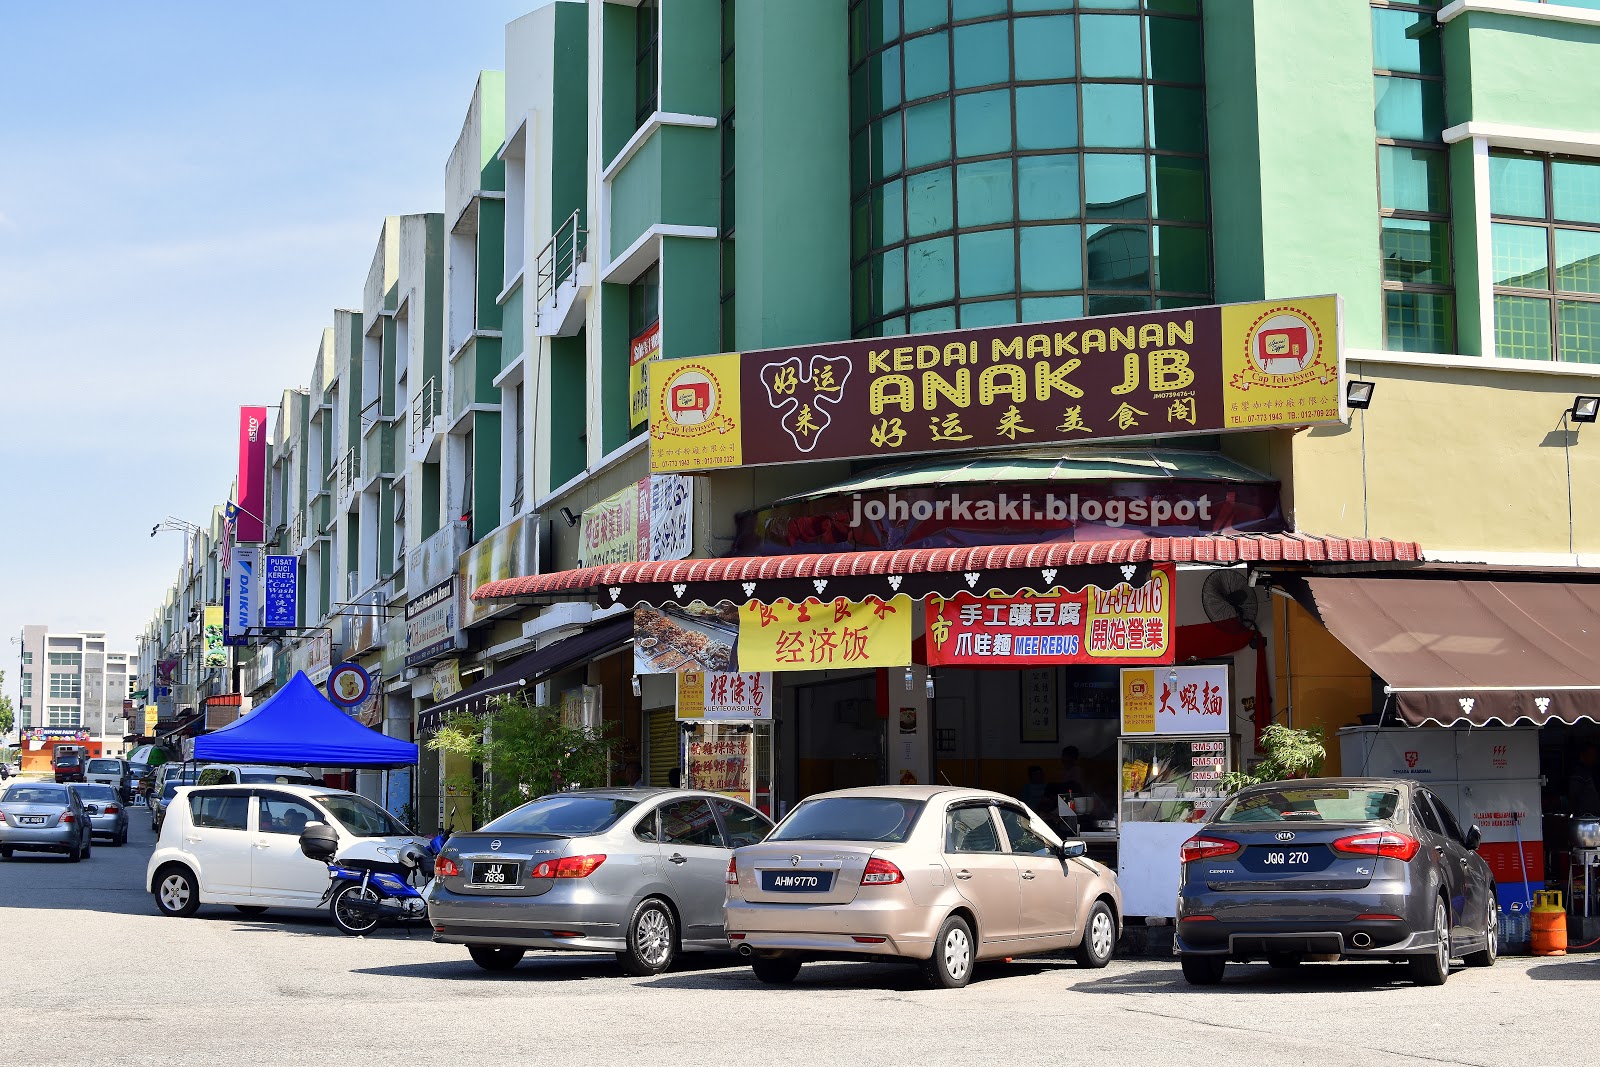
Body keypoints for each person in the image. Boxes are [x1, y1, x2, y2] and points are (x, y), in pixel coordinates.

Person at [1570, 743, 1600, 816]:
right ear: (1582, 756)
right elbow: (1573, 796)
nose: (1593, 758)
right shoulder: (1579, 774)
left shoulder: (1593, 772)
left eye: (1594, 755)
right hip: (1584, 817)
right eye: (1590, 754)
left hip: (1595, 817)